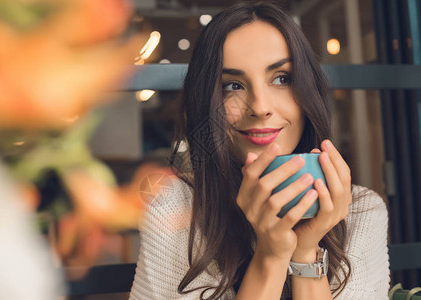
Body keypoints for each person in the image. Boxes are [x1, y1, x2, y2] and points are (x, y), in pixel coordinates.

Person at [129, 2, 390, 299]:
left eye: (282, 78)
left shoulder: (360, 210)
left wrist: (305, 252)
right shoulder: (174, 207)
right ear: (207, 103)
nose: (261, 107)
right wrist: (271, 255)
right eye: (232, 86)